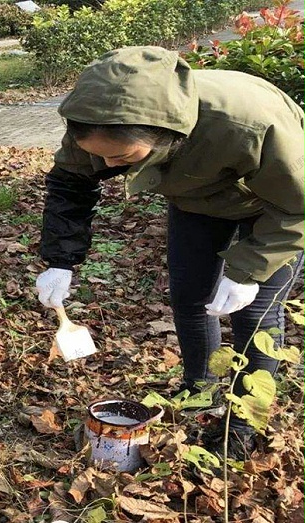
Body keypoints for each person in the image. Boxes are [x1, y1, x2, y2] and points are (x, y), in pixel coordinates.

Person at [34, 46, 305, 459]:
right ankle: (201, 388)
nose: (105, 164)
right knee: (191, 297)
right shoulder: (94, 126)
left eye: (120, 158)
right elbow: (71, 184)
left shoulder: (247, 124)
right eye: (97, 154)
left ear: (164, 134)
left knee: (255, 313)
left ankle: (244, 423)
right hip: (197, 200)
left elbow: (297, 205)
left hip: (274, 205)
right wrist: (60, 259)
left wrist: (249, 269)